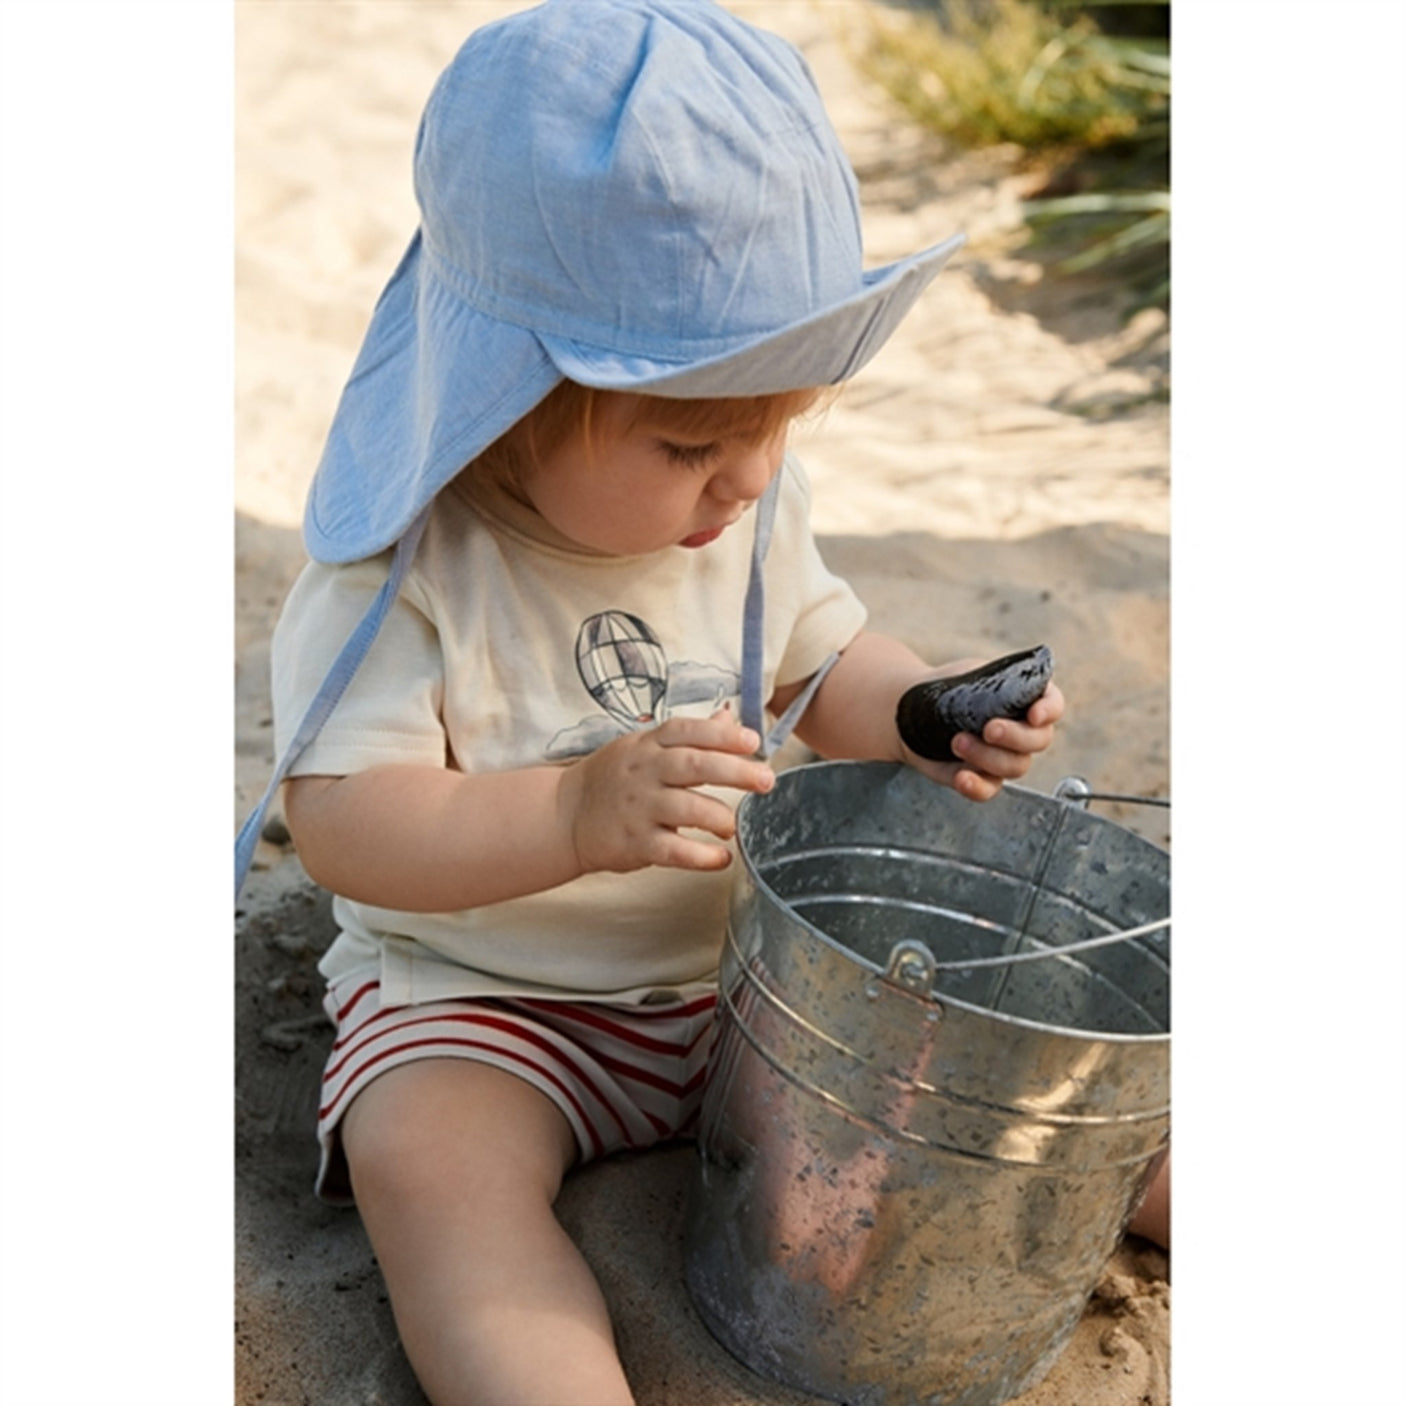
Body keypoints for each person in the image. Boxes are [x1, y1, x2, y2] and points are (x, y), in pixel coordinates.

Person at [251, 2, 1108, 1401]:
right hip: (490, 1001)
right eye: (696, 439)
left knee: (994, 1079)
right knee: (433, 1166)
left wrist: (923, 711)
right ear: (514, 399)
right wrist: (574, 809)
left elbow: (821, 664)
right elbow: (347, 823)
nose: (751, 478)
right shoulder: (401, 570)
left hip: (746, 985)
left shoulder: (733, 509)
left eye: (781, 425)